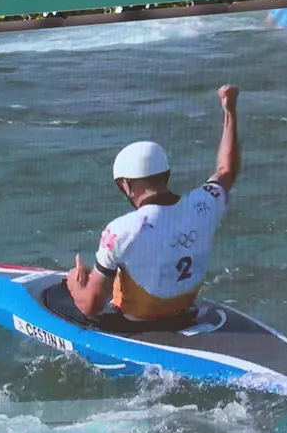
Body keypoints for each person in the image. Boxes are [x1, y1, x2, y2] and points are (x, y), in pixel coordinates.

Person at [67, 85, 241, 322]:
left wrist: (73, 284)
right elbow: (226, 170)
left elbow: (90, 306)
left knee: (95, 283)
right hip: (184, 311)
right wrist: (229, 110)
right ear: (165, 175)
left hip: (135, 323)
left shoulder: (121, 230)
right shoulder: (205, 204)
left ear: (127, 186)